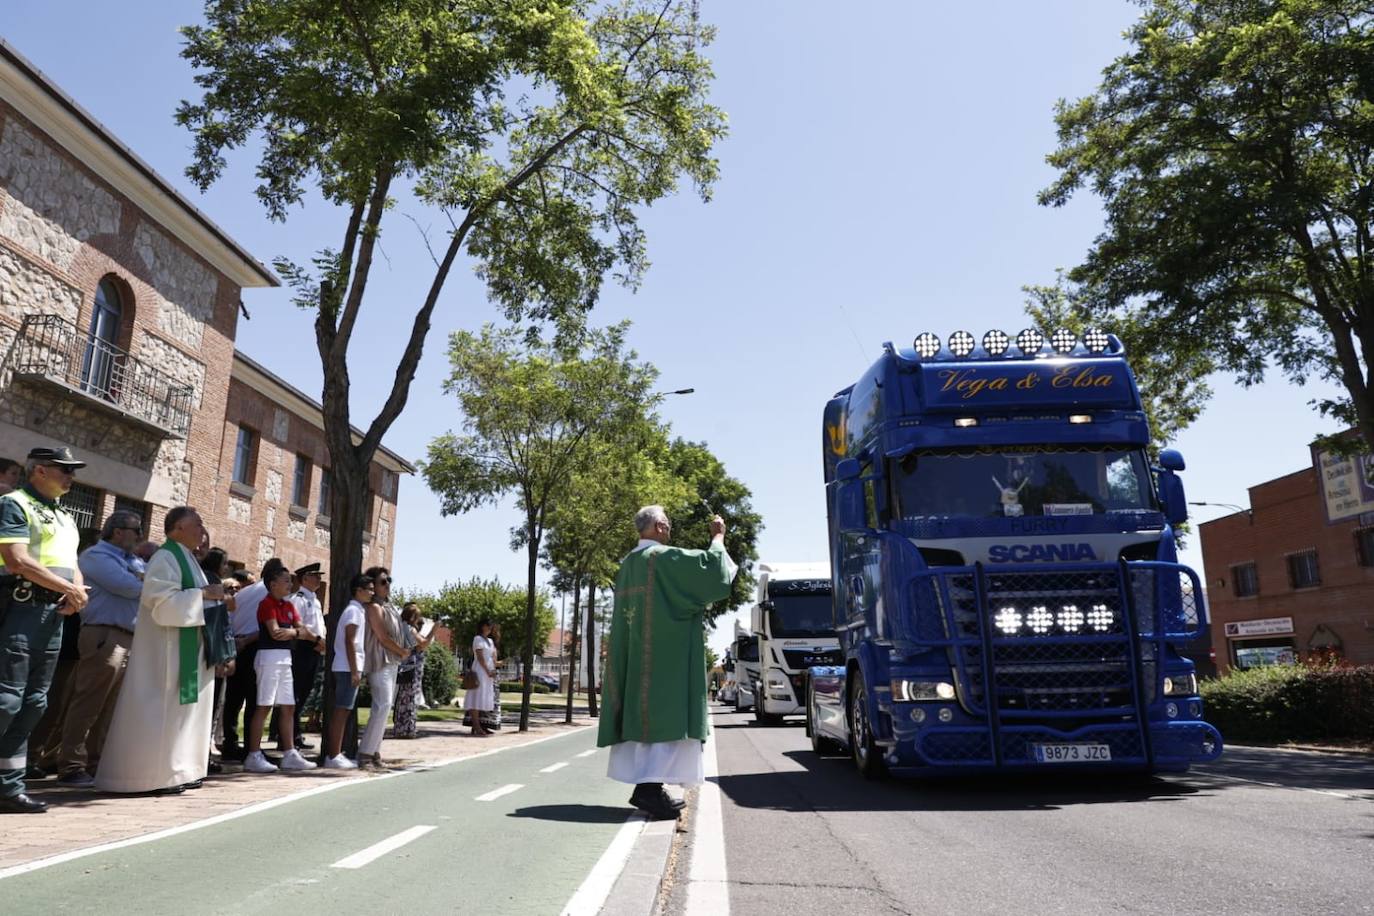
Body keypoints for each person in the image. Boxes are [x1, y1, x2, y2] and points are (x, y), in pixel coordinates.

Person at [597, 505, 737, 821]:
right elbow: (712, 573)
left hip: (636, 660)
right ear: (659, 526)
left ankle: (650, 787)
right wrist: (717, 538)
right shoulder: (662, 558)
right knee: (663, 719)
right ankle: (648, 789)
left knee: (643, 720)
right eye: (668, 524)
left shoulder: (628, 564)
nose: (670, 529)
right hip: (665, 658)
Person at [95, 507, 224, 795]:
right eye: (197, 524)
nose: (202, 531)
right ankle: (150, 776)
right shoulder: (166, 556)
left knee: (185, 712)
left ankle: (179, 769)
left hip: (189, 645)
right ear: (177, 528)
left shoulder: (188, 557)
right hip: (166, 650)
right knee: (161, 709)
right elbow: (160, 601)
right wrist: (203, 594)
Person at [0, 447, 89, 813]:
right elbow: (16, 559)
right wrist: (68, 589)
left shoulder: (65, 516)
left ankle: (8, 788)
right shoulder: (14, 503)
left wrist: (77, 591)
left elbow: (72, 563)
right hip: (17, 609)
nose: (70, 476)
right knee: (6, 700)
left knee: (35, 703)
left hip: (51, 615)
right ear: (38, 470)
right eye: (63, 470)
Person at [56, 510, 146, 787]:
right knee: (88, 702)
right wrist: (145, 582)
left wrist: (146, 581)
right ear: (118, 531)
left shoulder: (134, 560)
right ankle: (70, 764)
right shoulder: (96, 556)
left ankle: (96, 763)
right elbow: (129, 587)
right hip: (104, 635)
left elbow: (148, 585)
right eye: (136, 530)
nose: (140, 536)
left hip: (128, 637)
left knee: (110, 707)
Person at [243, 564, 317, 773]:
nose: (290, 584)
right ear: (273, 584)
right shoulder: (267, 604)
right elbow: (275, 632)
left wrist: (293, 632)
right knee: (264, 705)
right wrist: (295, 632)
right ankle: (253, 754)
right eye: (285, 580)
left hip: (285, 658)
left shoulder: (288, 605)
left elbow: (301, 630)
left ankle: (290, 753)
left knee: (288, 706)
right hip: (269, 657)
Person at [221, 563, 276, 760]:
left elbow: (230, 616)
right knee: (253, 699)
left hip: (236, 644)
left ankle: (230, 742)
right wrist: (247, 640)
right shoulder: (271, 596)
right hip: (254, 646)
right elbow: (269, 627)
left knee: (233, 698)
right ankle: (251, 747)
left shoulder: (244, 593)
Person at [359, 567, 410, 768]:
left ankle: (374, 751)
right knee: (382, 705)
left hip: (392, 661)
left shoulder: (389, 606)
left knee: (385, 707)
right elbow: (381, 636)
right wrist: (401, 650)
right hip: (380, 660)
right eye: (382, 581)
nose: (387, 584)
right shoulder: (373, 608)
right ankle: (365, 753)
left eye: (389, 580)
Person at [323, 574, 372, 768]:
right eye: (368, 589)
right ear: (358, 591)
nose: (372, 592)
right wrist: (354, 670)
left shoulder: (358, 610)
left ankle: (336, 753)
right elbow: (350, 640)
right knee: (341, 711)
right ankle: (333, 755)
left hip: (348, 666)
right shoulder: (353, 611)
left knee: (344, 710)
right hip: (346, 667)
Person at [287, 563, 327, 751]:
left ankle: (295, 733)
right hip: (302, 648)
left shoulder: (316, 600)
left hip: (315, 648)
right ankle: (289, 736)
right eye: (314, 575)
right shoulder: (299, 599)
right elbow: (299, 627)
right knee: (295, 693)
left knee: (304, 692)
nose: (318, 578)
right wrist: (318, 640)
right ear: (304, 579)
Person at [393, 604, 433, 739]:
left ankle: (400, 727)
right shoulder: (410, 629)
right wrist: (435, 628)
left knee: (403, 697)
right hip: (411, 667)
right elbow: (424, 644)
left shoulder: (401, 626)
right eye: (417, 616)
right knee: (409, 698)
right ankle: (407, 728)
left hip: (404, 666)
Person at [465, 619, 497, 737]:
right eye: (488, 626)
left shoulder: (490, 641)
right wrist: (487, 670)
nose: (489, 628)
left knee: (484, 697)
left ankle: (481, 724)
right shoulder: (477, 639)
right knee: (476, 697)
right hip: (480, 670)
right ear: (482, 626)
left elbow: (492, 657)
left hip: (489, 671)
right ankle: (476, 725)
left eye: (491, 626)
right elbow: (480, 657)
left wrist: (493, 668)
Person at [480, 623, 503, 732]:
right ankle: (481, 724)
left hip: (493, 674)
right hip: (487, 673)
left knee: (492, 700)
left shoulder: (492, 644)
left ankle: (487, 724)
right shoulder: (485, 642)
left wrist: (501, 663)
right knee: (485, 698)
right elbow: (485, 659)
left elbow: (494, 662)